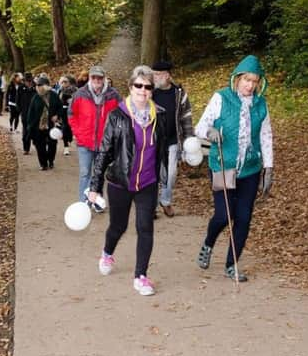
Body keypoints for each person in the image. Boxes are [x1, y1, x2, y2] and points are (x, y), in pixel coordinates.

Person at [88, 66, 168, 296]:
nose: (143, 90)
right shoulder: (117, 116)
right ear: (131, 87)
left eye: (148, 86)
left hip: (147, 183)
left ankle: (140, 276)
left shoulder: (159, 116)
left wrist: (163, 176)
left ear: (152, 90)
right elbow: (104, 152)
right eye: (138, 85)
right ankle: (107, 252)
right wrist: (94, 188)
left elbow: (163, 149)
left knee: (145, 227)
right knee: (118, 226)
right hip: (120, 182)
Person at [194, 55, 274, 282]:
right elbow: (201, 126)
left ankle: (232, 265)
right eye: (246, 80)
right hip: (223, 165)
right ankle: (209, 243)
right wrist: (210, 132)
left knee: (244, 217)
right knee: (222, 214)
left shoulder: (261, 105)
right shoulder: (221, 98)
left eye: (254, 81)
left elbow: (266, 136)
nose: (250, 85)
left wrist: (268, 168)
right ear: (237, 78)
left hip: (249, 169)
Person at [68, 65, 121, 211]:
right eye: (94, 77)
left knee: (99, 173)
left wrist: (115, 136)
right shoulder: (80, 94)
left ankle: (97, 201)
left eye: (100, 77)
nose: (97, 80)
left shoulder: (113, 95)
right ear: (89, 78)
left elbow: (121, 116)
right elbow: (71, 115)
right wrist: (78, 133)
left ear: (104, 78)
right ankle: (82, 203)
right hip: (84, 142)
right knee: (85, 172)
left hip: (105, 142)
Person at [151, 60, 195, 217]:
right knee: (154, 173)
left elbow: (186, 117)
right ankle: (152, 206)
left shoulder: (179, 93)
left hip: (173, 140)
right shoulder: (149, 93)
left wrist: (190, 139)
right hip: (153, 140)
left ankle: (166, 201)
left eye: (158, 74)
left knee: (171, 173)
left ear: (167, 75)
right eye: (153, 74)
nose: (155, 77)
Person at [27, 76, 63, 170]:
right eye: (38, 85)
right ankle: (43, 164)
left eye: (41, 85)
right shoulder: (36, 97)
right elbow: (31, 113)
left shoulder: (54, 96)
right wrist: (30, 126)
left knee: (52, 144)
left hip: (51, 124)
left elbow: (60, 108)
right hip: (38, 126)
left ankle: (50, 160)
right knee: (40, 145)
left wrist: (57, 116)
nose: (38, 87)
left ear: (46, 86)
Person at [58, 75, 77, 156]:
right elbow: (58, 101)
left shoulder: (75, 90)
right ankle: (66, 147)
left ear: (69, 82)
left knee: (70, 127)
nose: (64, 83)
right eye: (63, 82)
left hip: (73, 112)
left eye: (66, 82)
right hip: (64, 111)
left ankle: (69, 139)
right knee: (65, 127)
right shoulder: (60, 91)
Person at [18, 73, 36, 155]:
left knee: (35, 130)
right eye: (26, 81)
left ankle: (37, 144)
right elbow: (17, 100)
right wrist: (20, 110)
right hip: (25, 113)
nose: (28, 83)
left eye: (29, 81)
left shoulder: (36, 87)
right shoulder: (21, 88)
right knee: (25, 130)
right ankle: (26, 148)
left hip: (35, 113)